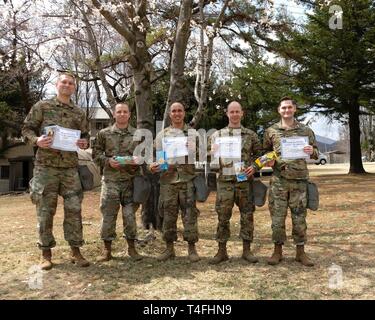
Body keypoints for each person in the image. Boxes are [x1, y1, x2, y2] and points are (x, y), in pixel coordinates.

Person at [22, 73, 90, 270]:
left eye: (71, 83)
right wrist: (37, 141)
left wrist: (84, 143)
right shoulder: (42, 106)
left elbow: (85, 137)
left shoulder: (78, 112)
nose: (67, 85)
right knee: (45, 211)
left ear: (74, 87)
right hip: (46, 167)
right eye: (64, 82)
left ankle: (76, 251)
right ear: (57, 84)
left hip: (70, 168)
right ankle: (45, 253)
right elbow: (26, 129)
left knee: (74, 210)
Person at [263, 96, 318, 267]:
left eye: (289, 107)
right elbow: (264, 152)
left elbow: (316, 152)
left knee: (299, 219)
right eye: (283, 108)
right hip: (278, 182)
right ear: (279, 110)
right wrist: (268, 160)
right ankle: (277, 252)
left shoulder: (306, 131)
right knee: (277, 220)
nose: (286, 110)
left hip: (299, 182)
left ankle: (300, 253)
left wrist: (312, 151)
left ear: (295, 109)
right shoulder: (271, 131)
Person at [208, 101, 262, 264]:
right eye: (232, 112)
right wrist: (213, 158)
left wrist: (254, 167)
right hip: (224, 182)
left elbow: (261, 155)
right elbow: (212, 158)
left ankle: (247, 250)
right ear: (227, 113)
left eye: (237, 111)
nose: (235, 114)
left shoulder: (251, 135)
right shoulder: (217, 135)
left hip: (244, 181)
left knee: (247, 215)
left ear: (242, 113)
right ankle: (221, 251)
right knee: (222, 217)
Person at [149, 102, 200, 262]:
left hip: (187, 180)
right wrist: (152, 165)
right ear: (170, 114)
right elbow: (152, 156)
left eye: (180, 111)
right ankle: (169, 248)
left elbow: (203, 156)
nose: (177, 113)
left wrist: (195, 150)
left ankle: (192, 249)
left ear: (184, 113)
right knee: (168, 215)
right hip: (168, 182)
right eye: (174, 111)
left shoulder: (193, 134)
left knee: (189, 214)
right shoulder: (162, 135)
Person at [92, 103, 143, 262]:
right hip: (111, 181)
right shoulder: (103, 133)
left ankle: (132, 248)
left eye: (125, 112)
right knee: (108, 215)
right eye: (119, 112)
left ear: (129, 115)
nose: (122, 114)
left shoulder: (138, 134)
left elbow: (144, 155)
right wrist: (108, 161)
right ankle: (107, 250)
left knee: (129, 216)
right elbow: (96, 154)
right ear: (114, 114)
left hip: (130, 182)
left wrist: (138, 160)